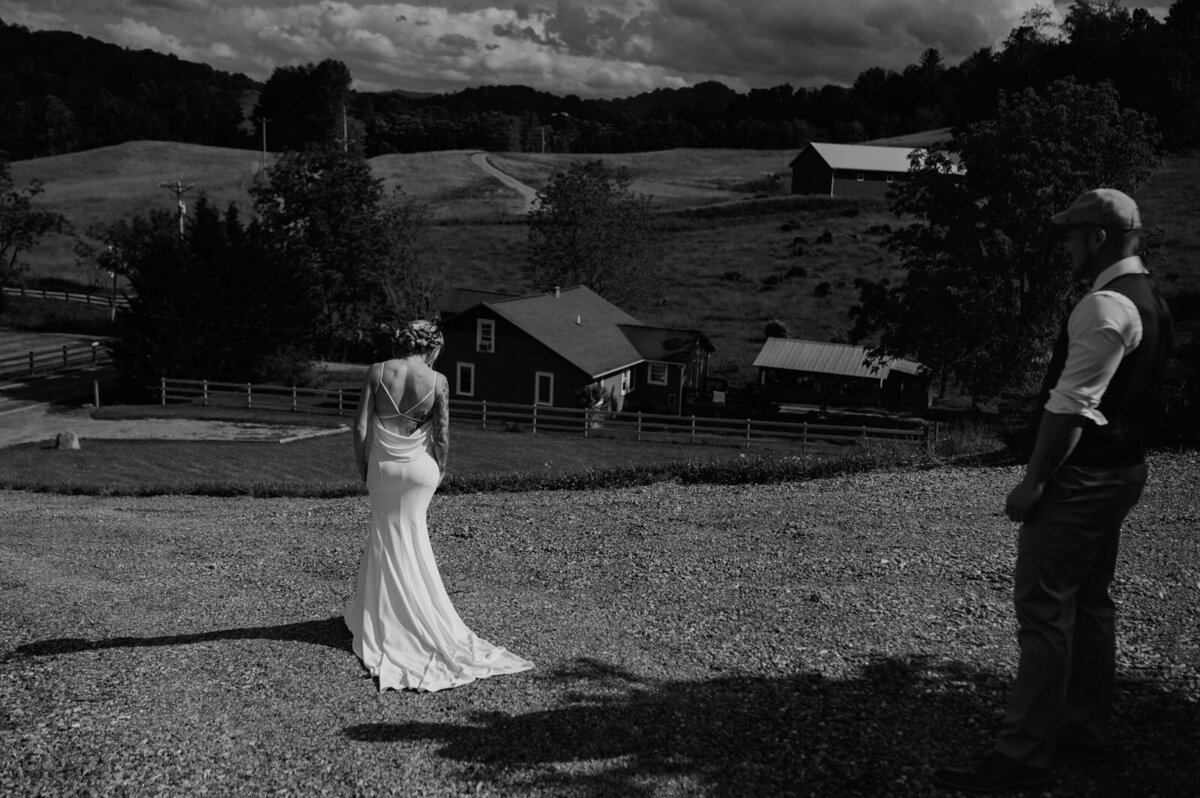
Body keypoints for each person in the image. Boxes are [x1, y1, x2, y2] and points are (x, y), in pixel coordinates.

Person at [935, 188, 1174, 792]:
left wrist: (1035, 480)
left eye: (1071, 233)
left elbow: (1071, 409)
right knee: (1091, 602)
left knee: (1044, 610)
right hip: (1124, 470)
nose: (1065, 243)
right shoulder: (1151, 301)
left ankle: (1022, 754)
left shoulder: (1103, 307)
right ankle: (1081, 726)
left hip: (1082, 478)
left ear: (1097, 237)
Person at [344, 319, 534, 692]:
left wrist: (365, 468)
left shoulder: (378, 371)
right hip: (420, 472)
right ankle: (411, 613)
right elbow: (442, 435)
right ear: (432, 348)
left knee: (385, 535)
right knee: (412, 536)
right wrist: (440, 469)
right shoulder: (439, 381)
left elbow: (360, 429)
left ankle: (381, 617)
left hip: (382, 470)